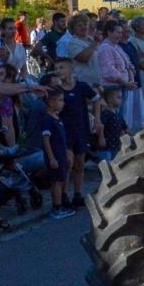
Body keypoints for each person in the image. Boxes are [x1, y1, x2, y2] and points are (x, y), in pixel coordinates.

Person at [46, 55, 97, 213]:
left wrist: (97, 120)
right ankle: (64, 195)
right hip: (63, 132)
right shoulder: (57, 91)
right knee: (68, 162)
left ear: (71, 69)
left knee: (80, 163)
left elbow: (97, 99)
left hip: (80, 129)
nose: (59, 71)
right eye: (56, 68)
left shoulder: (81, 87)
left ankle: (78, 193)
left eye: (62, 67)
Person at [36, 88, 72, 219]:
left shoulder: (57, 119)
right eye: (60, 100)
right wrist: (51, 158)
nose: (63, 103)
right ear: (51, 102)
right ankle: (56, 207)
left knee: (60, 180)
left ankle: (60, 204)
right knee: (56, 182)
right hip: (55, 157)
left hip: (61, 155)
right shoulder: (47, 120)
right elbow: (46, 140)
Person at [56, 13, 101, 90]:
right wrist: (95, 43)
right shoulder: (73, 42)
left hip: (97, 84)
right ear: (73, 29)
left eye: (85, 24)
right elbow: (84, 58)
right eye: (79, 25)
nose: (83, 27)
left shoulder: (91, 40)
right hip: (83, 84)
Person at [94, 85, 128, 163]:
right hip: (106, 147)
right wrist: (101, 138)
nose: (121, 100)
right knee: (106, 167)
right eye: (118, 98)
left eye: (121, 97)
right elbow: (100, 126)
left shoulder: (118, 114)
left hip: (117, 146)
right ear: (109, 99)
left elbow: (124, 127)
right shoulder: (106, 114)